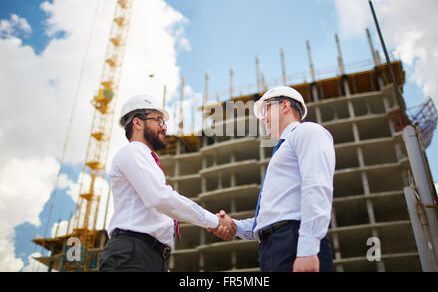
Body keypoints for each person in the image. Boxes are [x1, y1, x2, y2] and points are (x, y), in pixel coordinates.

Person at [99, 94, 235, 272]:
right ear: (138, 123)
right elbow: (161, 198)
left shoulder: (146, 159)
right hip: (132, 253)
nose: (164, 128)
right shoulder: (132, 152)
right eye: (159, 120)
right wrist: (213, 221)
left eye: (164, 122)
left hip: (150, 257)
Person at [213, 86, 335, 272]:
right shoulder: (283, 150)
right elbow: (274, 216)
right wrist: (235, 226)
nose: (263, 118)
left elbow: (317, 186)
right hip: (273, 247)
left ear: (285, 105)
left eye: (266, 108)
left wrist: (307, 249)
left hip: (294, 243)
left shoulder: (307, 132)